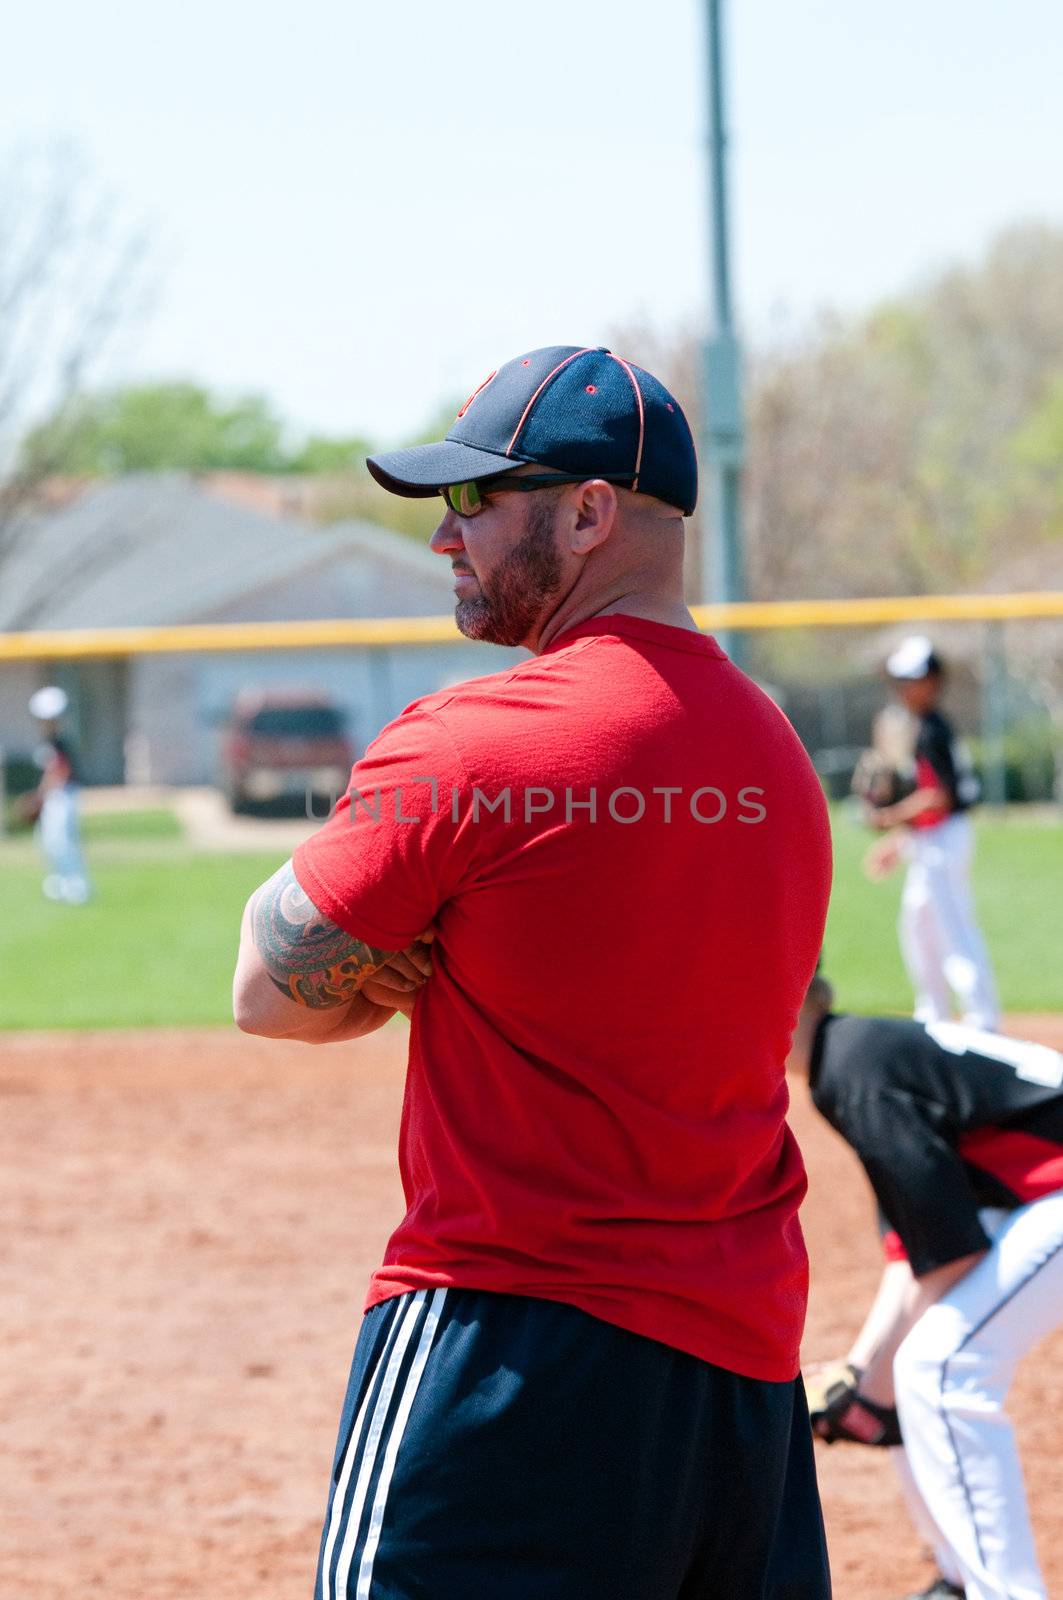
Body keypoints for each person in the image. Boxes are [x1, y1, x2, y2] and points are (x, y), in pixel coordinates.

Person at [233, 344, 833, 1599]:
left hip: (506, 1352)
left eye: (471, 501)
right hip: (740, 1387)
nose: (446, 540)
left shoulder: (481, 739)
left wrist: (403, 965)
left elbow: (266, 986)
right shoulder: (776, 755)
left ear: (587, 510)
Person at [790, 973, 1063, 1600]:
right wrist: (863, 1378)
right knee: (901, 1383)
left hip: (1047, 1193)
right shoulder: (859, 1053)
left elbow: (948, 1255)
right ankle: (961, 1577)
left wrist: (860, 1370)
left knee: (940, 1370)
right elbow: (917, 1247)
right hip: (1031, 1197)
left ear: (797, 997)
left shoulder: (852, 1075)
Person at [863, 635, 998, 1029]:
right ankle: (935, 1013)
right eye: (900, 680)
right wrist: (898, 842)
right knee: (918, 924)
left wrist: (890, 818)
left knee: (951, 925)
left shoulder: (932, 730)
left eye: (913, 680)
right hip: (932, 838)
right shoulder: (922, 726)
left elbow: (937, 797)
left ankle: (982, 1018)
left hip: (946, 837)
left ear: (933, 681)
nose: (904, 688)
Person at [20, 685, 91, 905]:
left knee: (61, 841)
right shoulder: (50, 741)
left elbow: (59, 773)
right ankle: (59, 881)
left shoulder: (60, 742)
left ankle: (75, 885)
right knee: (49, 842)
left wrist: (39, 796)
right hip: (55, 797)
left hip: (62, 796)